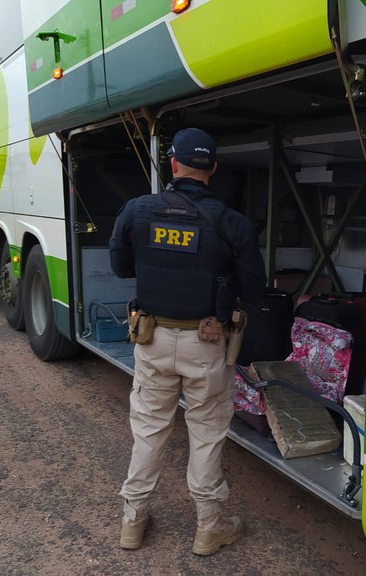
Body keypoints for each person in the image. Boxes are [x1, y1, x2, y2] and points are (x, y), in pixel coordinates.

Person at [109, 127, 266, 555]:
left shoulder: (137, 211)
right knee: (207, 433)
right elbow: (255, 287)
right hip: (208, 343)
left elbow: (122, 267)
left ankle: (133, 520)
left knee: (149, 431)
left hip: (152, 338)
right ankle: (209, 526)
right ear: (212, 169)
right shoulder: (231, 223)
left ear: (173, 164)